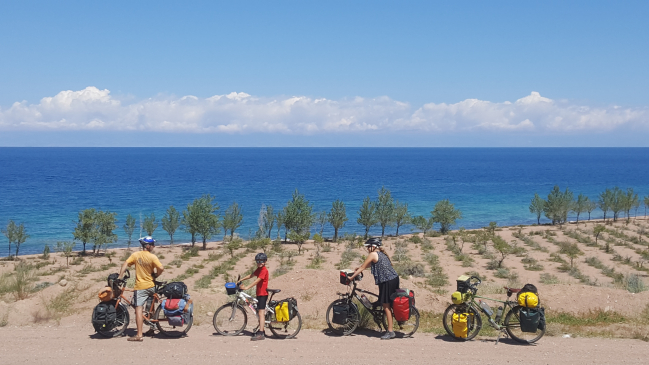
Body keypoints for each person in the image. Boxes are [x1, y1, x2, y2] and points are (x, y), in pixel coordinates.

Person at [348, 237, 400, 340]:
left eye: (368, 247)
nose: (367, 249)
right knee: (383, 301)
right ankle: (381, 306)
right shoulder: (380, 253)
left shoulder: (373, 254)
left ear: (373, 247)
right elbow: (371, 264)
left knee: (386, 305)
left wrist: (351, 277)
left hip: (387, 280)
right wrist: (359, 268)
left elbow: (363, 267)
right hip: (392, 279)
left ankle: (390, 331)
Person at [118, 236, 164, 342]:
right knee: (151, 306)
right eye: (152, 244)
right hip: (151, 286)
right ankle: (152, 329)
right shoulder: (153, 257)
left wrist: (120, 277)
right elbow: (161, 268)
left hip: (141, 287)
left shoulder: (136, 255)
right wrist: (156, 275)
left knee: (138, 309)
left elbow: (125, 264)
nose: (154, 246)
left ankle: (139, 335)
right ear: (148, 246)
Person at [239, 252, 269, 341]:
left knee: (261, 313)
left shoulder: (264, 270)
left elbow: (257, 281)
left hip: (263, 294)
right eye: (258, 261)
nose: (260, 262)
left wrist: (247, 287)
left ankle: (261, 333)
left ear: (265, 261)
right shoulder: (259, 269)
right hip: (259, 293)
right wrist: (242, 279)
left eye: (262, 261)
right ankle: (261, 330)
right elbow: (252, 275)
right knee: (258, 312)